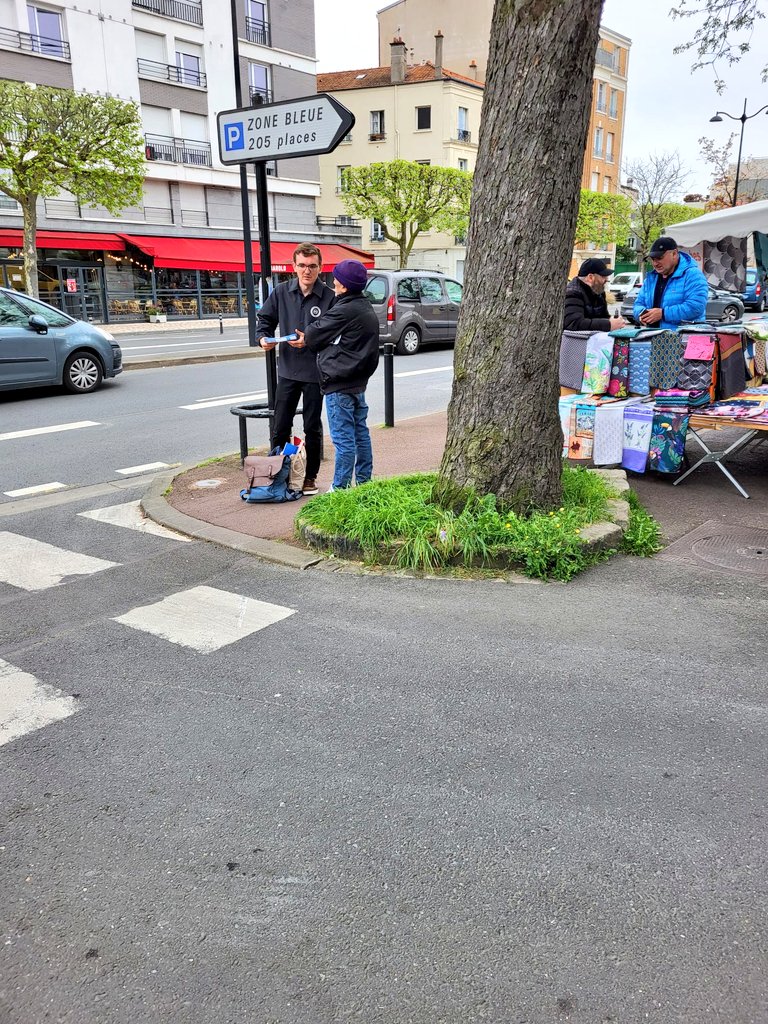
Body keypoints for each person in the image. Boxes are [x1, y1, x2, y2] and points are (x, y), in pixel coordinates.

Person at [291, 259, 379, 491]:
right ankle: (363, 483)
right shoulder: (364, 305)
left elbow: (316, 332)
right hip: (357, 383)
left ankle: (339, 488)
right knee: (360, 434)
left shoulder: (345, 309)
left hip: (339, 383)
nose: (333, 281)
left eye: (337, 278)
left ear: (344, 284)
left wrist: (307, 336)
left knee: (343, 439)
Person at [255, 243, 334, 495]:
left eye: (312, 266)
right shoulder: (281, 292)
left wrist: (310, 340)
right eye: (302, 265)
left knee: (312, 426)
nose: (306, 271)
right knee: (280, 425)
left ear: (320, 268)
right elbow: (265, 320)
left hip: (315, 372)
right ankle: (275, 474)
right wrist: (263, 338)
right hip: (287, 371)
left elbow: (335, 334)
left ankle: (309, 477)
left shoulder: (329, 297)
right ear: (294, 267)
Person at [633, 236, 709, 330]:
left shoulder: (693, 275)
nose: (655, 263)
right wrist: (641, 314)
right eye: (653, 259)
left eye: (659, 258)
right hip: (653, 338)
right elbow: (638, 304)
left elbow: (696, 307)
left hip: (684, 340)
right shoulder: (651, 278)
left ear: (674, 254)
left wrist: (663, 314)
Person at [563, 258, 626, 332]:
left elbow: (603, 316)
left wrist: (613, 321)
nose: (607, 279)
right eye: (603, 276)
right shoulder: (573, 293)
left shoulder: (598, 291)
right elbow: (573, 323)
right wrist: (608, 324)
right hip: (578, 342)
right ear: (590, 277)